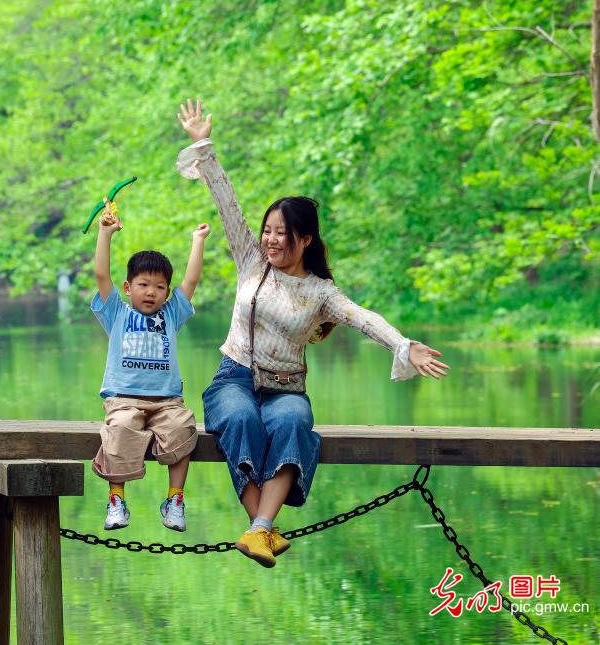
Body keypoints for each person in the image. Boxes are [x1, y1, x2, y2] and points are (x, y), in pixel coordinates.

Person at [175, 99, 450, 567]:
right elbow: (227, 203)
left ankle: (258, 530)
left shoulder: (322, 293)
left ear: (305, 240)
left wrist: (403, 344)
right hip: (234, 377)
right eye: (268, 231)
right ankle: (262, 529)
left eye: (282, 233)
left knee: (293, 423)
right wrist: (203, 144)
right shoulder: (251, 264)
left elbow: (364, 317)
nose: (271, 240)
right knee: (239, 420)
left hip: (286, 388)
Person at [91, 198, 211, 533]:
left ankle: (175, 499)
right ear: (128, 287)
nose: (151, 292)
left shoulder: (171, 314)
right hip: (123, 399)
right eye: (143, 285)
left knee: (184, 427)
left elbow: (191, 282)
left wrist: (197, 242)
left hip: (166, 401)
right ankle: (116, 499)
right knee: (120, 428)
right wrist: (106, 234)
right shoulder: (117, 312)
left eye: (159, 287)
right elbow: (101, 273)